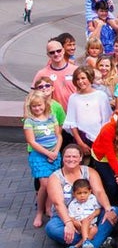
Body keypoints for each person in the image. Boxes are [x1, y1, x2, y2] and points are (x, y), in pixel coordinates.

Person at [45, 145, 118, 248]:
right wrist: (69, 223)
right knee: (51, 228)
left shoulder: (89, 171)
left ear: (80, 158)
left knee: (114, 211)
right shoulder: (55, 177)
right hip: (66, 216)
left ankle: (85, 246)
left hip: (91, 215)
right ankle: (100, 241)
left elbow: (99, 192)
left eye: (74, 156)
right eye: (67, 156)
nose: (71, 159)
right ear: (62, 158)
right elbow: (58, 204)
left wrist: (107, 209)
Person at [24, 90, 63, 227]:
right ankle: (39, 211)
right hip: (40, 155)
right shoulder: (29, 121)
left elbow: (58, 135)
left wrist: (56, 151)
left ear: (44, 105)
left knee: (53, 182)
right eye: (34, 106)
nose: (37, 108)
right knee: (45, 184)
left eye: (39, 105)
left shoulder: (52, 117)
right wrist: (48, 153)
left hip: (54, 153)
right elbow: (32, 142)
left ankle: (49, 208)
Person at [64, 66, 113, 158]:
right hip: (82, 137)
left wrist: (102, 140)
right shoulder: (73, 98)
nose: (80, 81)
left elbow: (106, 120)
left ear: (90, 78)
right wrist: (80, 143)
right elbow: (71, 123)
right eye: (77, 79)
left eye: (83, 78)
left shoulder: (101, 96)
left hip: (99, 137)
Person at [33, 39, 77, 111]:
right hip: (53, 116)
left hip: (74, 115)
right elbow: (32, 97)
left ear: (63, 50)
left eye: (58, 51)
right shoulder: (41, 73)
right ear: (48, 55)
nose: (56, 54)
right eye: (52, 52)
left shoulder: (75, 70)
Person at [63, 178, 101, 248]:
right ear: (74, 194)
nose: (82, 195)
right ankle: (86, 242)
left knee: (94, 229)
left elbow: (98, 210)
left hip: (91, 225)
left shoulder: (92, 199)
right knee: (85, 221)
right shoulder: (72, 204)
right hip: (79, 226)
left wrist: (93, 215)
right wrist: (75, 222)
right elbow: (71, 217)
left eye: (85, 193)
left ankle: (75, 247)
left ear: (90, 191)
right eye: (79, 193)